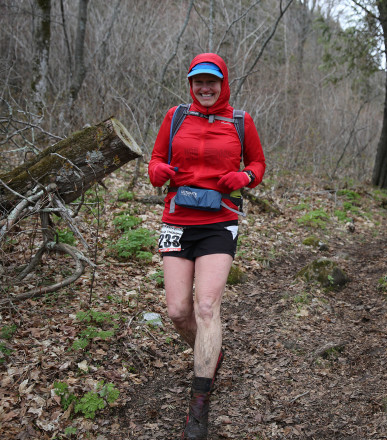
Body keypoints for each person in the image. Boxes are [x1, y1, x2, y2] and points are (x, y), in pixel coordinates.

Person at [148, 53, 265, 439]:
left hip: (220, 221)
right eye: (198, 82)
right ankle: (210, 352)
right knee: (178, 311)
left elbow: (259, 165)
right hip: (177, 220)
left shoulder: (240, 121)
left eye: (211, 82)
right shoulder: (175, 116)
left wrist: (243, 176)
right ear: (191, 85)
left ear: (223, 82)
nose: (205, 88)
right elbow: (154, 162)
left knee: (206, 307)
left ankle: (198, 408)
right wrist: (157, 172)